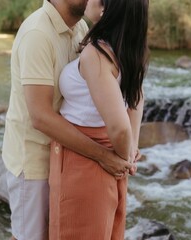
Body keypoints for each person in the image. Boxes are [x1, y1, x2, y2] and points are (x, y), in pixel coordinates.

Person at [2, 0, 133, 239]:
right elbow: (40, 117)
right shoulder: (37, 34)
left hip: (66, 158)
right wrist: (104, 156)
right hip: (34, 163)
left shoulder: (81, 28)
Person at [49, 0, 149, 239]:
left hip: (86, 160)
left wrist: (124, 155)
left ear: (106, 8)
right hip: (107, 155)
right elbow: (136, 98)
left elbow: (119, 128)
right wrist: (131, 149)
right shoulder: (125, 47)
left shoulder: (97, 54)